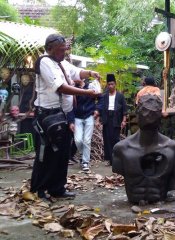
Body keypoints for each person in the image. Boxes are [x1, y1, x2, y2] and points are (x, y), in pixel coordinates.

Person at [30, 33, 100, 200]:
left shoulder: (62, 63)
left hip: (63, 115)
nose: (64, 53)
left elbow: (77, 73)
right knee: (46, 153)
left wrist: (90, 72)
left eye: (64, 49)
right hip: (48, 115)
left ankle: (57, 188)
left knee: (62, 154)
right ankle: (39, 189)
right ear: (50, 49)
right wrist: (87, 92)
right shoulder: (45, 62)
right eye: (60, 50)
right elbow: (60, 87)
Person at [112, 94, 175, 204]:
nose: (149, 117)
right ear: (137, 115)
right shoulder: (121, 149)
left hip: (159, 204)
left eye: (153, 114)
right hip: (134, 203)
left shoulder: (173, 149)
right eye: (145, 114)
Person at [94, 73, 127, 165]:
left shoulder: (120, 96)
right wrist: (97, 120)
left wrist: (124, 120)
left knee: (115, 139)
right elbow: (99, 108)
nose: (110, 86)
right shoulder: (104, 96)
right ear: (107, 85)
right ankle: (109, 159)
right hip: (107, 118)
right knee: (107, 139)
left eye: (112, 84)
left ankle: (116, 159)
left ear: (115, 84)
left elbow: (124, 109)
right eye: (109, 84)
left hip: (116, 118)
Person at [67, 79, 97, 171]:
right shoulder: (72, 89)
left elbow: (101, 97)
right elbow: (69, 105)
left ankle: (85, 162)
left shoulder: (91, 87)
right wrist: (71, 121)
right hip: (77, 117)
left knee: (87, 140)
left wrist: (97, 110)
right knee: (78, 140)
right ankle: (82, 155)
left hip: (89, 116)